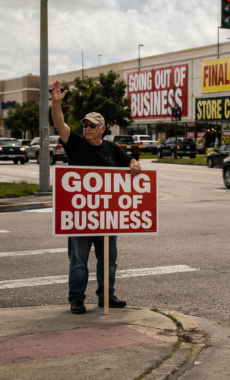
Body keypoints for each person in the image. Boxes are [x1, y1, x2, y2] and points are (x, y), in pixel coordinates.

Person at [51, 80, 141, 314]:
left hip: (107, 217)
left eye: (92, 125)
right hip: (80, 215)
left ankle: (106, 297)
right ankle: (76, 299)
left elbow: (128, 160)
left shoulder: (112, 148)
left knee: (108, 260)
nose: (87, 128)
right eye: (85, 125)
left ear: (103, 128)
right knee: (78, 261)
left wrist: (133, 162)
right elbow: (60, 124)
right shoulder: (75, 144)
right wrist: (56, 103)